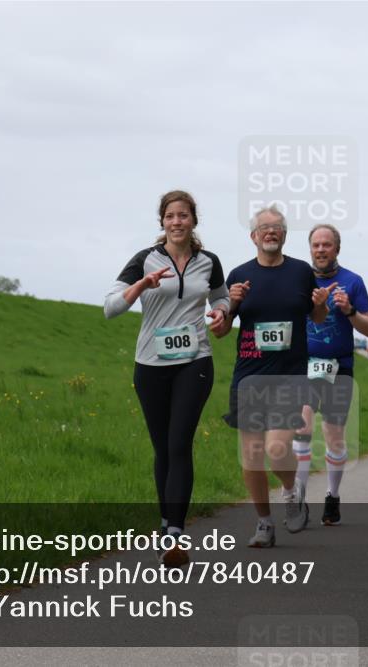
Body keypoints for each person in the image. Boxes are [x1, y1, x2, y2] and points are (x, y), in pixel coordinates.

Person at [104, 190, 229, 567]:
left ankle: (175, 533)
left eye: (183, 215)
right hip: (151, 364)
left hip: (195, 360)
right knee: (162, 448)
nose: (177, 222)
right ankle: (165, 524)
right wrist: (142, 285)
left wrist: (222, 312)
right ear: (162, 221)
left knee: (179, 444)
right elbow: (111, 307)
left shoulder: (209, 262)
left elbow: (220, 298)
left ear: (194, 220)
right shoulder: (145, 259)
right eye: (170, 216)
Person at [215, 206, 333, 547]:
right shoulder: (239, 275)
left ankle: (291, 491)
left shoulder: (300, 272)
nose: (271, 231)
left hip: (290, 376)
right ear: (253, 236)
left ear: (284, 235)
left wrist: (321, 303)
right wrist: (230, 305)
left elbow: (318, 317)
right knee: (252, 455)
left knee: (277, 448)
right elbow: (220, 330)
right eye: (264, 227)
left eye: (277, 227)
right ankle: (264, 523)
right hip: (249, 376)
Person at [291, 224, 368, 527]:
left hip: (339, 366)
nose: (321, 250)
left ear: (337, 248)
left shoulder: (353, 281)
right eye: (316, 245)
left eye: (326, 245)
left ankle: (332, 495)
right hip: (304, 365)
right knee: (301, 428)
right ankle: (298, 500)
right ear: (310, 249)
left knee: (333, 435)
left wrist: (349, 310)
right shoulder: (299, 279)